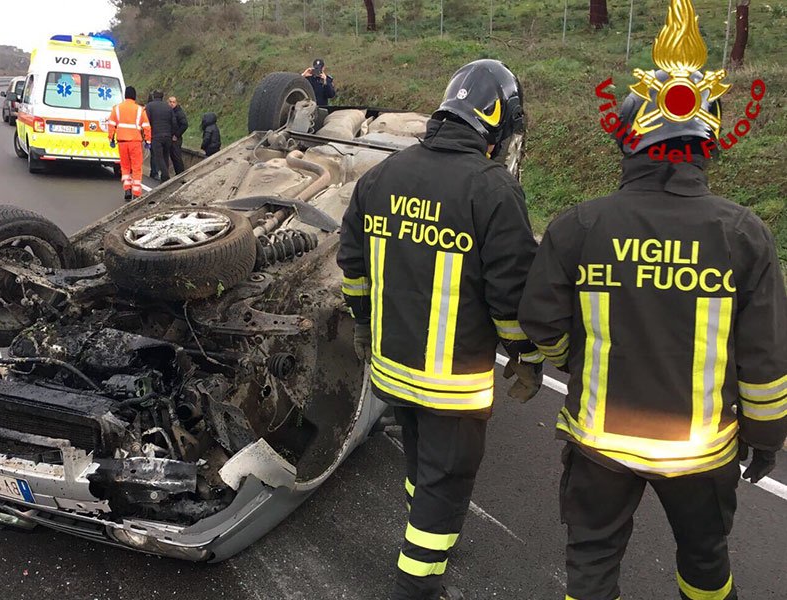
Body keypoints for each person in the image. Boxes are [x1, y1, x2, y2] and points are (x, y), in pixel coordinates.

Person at [518, 77, 787, 599]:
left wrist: (580, 361)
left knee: (591, 565)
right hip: (700, 453)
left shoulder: (580, 225)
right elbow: (766, 357)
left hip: (600, 444)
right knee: (706, 563)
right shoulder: (743, 235)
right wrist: (766, 436)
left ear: (629, 140)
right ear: (705, 142)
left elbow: (540, 321)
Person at [337, 60, 543, 600]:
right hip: (452, 382)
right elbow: (510, 296)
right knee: (447, 482)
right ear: (494, 125)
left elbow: (353, 269)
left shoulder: (380, 177)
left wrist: (363, 328)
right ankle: (418, 583)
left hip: (392, 367)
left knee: (421, 465)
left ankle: (424, 532)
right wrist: (526, 355)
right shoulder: (493, 191)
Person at [107, 85, 151, 201]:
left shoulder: (117, 108)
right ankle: (136, 193)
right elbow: (146, 126)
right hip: (135, 142)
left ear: (125, 95)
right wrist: (148, 141)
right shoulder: (140, 110)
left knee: (125, 167)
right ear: (134, 96)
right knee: (136, 167)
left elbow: (111, 124)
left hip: (122, 142)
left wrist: (111, 138)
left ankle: (127, 189)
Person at [145, 89, 175, 181]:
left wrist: (145, 136)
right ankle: (164, 176)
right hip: (167, 136)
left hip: (156, 135)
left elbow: (146, 121)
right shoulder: (168, 107)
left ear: (154, 96)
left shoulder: (149, 106)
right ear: (162, 97)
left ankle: (165, 175)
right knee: (165, 155)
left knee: (159, 156)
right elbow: (173, 122)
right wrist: (172, 134)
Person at [169, 96, 188, 175]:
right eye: (170, 102)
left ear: (176, 103)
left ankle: (181, 174)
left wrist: (176, 135)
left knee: (177, 157)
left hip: (176, 139)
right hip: (170, 137)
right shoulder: (170, 112)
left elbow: (184, 125)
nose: (172, 104)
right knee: (173, 157)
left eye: (173, 102)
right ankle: (178, 173)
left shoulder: (179, 112)